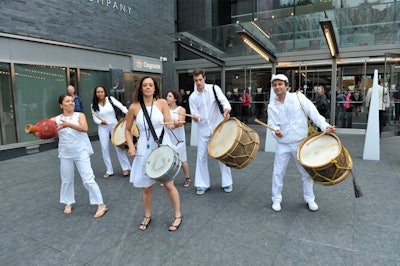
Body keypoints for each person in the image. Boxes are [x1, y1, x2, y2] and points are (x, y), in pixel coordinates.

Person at [267, 74, 335, 212]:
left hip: (301, 144)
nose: (277, 87)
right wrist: (276, 131)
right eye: (275, 85)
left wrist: (324, 126)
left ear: (287, 86)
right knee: (278, 173)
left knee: (306, 173)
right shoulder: (272, 106)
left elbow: (314, 114)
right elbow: (273, 124)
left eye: (280, 84)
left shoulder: (299, 97)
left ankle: (310, 199)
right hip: (283, 144)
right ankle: (276, 199)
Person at [124, 76, 182, 232]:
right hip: (144, 147)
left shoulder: (162, 103)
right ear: (141, 88)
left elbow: (168, 125)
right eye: (145, 85)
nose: (148, 87)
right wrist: (131, 146)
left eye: (151, 85)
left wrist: (175, 125)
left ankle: (177, 215)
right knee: (146, 187)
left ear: (155, 88)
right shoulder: (134, 107)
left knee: (169, 184)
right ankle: (147, 215)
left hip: (162, 145)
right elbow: (127, 130)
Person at [35, 94, 107, 218]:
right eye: (67, 101)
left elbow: (84, 128)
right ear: (61, 105)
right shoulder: (56, 119)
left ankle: (101, 204)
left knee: (88, 179)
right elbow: (42, 128)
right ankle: (68, 202)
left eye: (72, 101)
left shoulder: (80, 115)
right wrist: (37, 132)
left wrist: (68, 125)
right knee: (66, 179)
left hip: (81, 151)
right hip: (65, 152)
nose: (71, 103)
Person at [189, 69, 233, 195]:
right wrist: (195, 117)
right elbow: (194, 114)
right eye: (196, 80)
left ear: (204, 78)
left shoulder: (214, 89)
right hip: (203, 130)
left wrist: (226, 110)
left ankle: (227, 182)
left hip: (217, 128)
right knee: (201, 157)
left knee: (222, 155)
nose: (198, 83)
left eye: (200, 80)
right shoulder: (192, 97)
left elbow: (225, 102)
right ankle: (202, 184)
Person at [91, 86, 131, 178]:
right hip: (102, 127)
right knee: (104, 148)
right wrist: (101, 122)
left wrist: (128, 113)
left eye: (101, 92)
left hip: (114, 125)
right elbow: (95, 118)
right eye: (98, 92)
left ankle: (125, 168)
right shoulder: (93, 105)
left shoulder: (110, 99)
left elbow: (121, 106)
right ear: (95, 94)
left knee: (119, 146)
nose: (100, 93)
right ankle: (109, 170)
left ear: (105, 92)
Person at [165, 89, 191, 187]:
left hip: (178, 139)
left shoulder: (181, 109)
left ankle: (187, 178)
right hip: (167, 137)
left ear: (175, 99)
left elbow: (180, 122)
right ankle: (167, 178)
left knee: (182, 159)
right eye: (167, 96)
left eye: (170, 96)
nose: (167, 97)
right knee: (168, 158)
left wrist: (176, 124)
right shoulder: (165, 109)